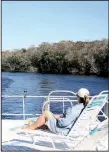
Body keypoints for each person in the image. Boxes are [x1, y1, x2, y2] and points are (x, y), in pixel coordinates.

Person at [24, 88, 90, 135]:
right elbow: (70, 118)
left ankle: (30, 128)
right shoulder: (84, 107)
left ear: (78, 97)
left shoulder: (75, 109)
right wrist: (60, 116)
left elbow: (64, 123)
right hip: (70, 127)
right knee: (51, 114)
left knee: (46, 113)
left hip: (64, 129)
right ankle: (36, 124)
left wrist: (58, 118)